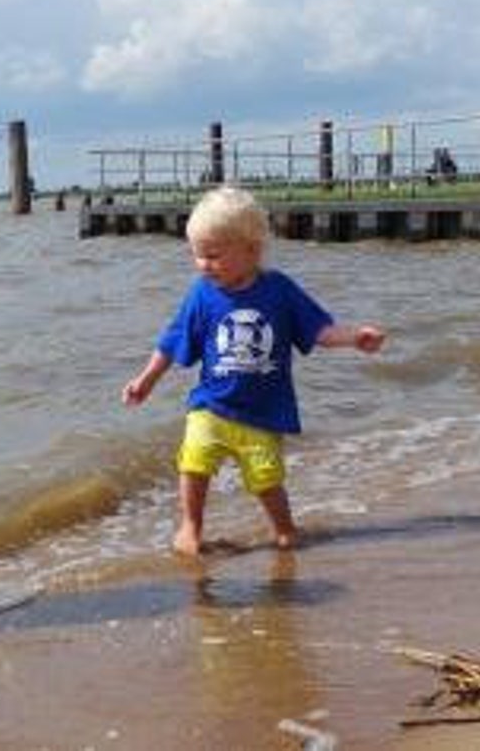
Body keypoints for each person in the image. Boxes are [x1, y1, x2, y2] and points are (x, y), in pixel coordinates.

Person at [122, 186, 385, 556]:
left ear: (251, 249)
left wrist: (354, 338)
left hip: (262, 415)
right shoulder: (201, 294)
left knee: (266, 479)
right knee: (193, 461)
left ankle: (285, 530)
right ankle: (190, 528)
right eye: (196, 255)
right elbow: (172, 340)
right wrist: (145, 381)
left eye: (212, 255)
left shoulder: (280, 290)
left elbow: (318, 330)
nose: (202, 265)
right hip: (210, 406)